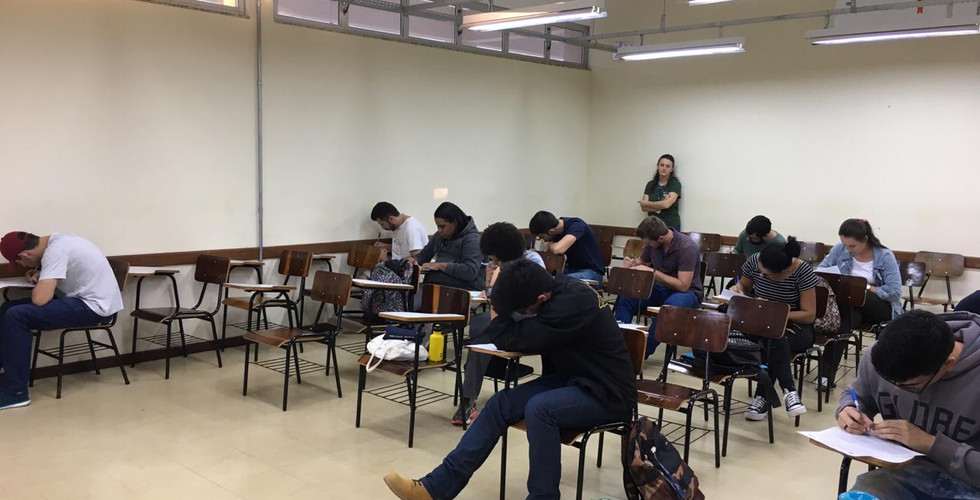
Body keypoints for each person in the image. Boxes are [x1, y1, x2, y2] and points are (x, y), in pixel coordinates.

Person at [383, 259, 637, 500]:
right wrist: (497, 294)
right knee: (499, 403)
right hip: (575, 379)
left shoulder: (571, 303)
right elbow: (509, 333)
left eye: (522, 312)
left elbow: (508, 337)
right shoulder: (553, 291)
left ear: (540, 299)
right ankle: (434, 489)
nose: (520, 315)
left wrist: (495, 303)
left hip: (608, 394)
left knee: (541, 409)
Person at [838, 310, 980, 499]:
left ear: (948, 364)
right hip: (903, 472)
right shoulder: (882, 354)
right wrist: (848, 409)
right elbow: (856, 395)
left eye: (911, 386)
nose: (896, 390)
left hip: (970, 483)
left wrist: (930, 444)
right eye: (889, 381)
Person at [0, 231, 123, 410]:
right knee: (6, 309)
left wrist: (41, 281)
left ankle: (16, 392)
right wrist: (41, 275)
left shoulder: (55, 251)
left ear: (25, 255)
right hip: (83, 299)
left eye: (20, 263)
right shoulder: (58, 240)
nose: (23, 266)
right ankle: (8, 378)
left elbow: (40, 299)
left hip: (95, 308)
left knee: (16, 316)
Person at [452, 222, 546, 426]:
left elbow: (525, 304)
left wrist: (496, 283)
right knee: (479, 338)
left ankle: (468, 399)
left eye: (494, 259)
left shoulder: (532, 262)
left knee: (480, 332)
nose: (493, 262)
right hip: (505, 319)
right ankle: (468, 400)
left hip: (530, 320)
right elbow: (493, 301)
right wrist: (489, 283)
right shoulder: (503, 266)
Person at [732, 237, 817, 420]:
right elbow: (744, 285)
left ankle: (762, 396)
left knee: (775, 337)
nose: (761, 276)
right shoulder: (755, 260)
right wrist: (739, 290)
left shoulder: (802, 270)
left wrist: (774, 312)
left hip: (795, 327)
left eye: (767, 275)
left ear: (782, 271)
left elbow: (809, 314)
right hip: (760, 323)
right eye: (760, 273)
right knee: (769, 334)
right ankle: (789, 391)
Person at [817, 218, 902, 388]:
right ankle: (826, 377)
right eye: (845, 245)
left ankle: (825, 375)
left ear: (865, 240)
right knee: (847, 318)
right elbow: (821, 270)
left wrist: (866, 288)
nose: (848, 249)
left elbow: (894, 291)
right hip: (851, 306)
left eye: (852, 246)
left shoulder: (884, 256)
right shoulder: (840, 249)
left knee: (854, 297)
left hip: (880, 306)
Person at [613, 216, 702, 357]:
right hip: (661, 289)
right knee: (627, 298)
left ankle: (640, 353)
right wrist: (632, 264)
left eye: (648, 242)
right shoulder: (652, 244)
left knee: (668, 308)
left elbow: (683, 286)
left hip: (688, 293)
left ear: (661, 238)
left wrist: (653, 272)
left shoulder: (686, 247)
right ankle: (620, 348)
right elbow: (642, 262)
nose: (645, 245)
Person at [409, 202, 484, 291]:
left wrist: (439, 266)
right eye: (438, 226)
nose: (439, 230)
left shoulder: (472, 239)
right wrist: (414, 261)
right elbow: (423, 256)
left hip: (460, 290)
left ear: (455, 223)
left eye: (442, 226)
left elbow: (470, 271)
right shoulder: (438, 236)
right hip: (432, 287)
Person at [528, 211, 605, 283]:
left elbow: (557, 249)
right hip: (570, 269)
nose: (543, 240)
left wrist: (550, 245)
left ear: (551, 232)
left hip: (592, 272)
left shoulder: (577, 225)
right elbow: (546, 251)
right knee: (542, 277)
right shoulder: (556, 231)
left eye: (542, 237)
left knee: (559, 281)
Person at [637, 154, 682, 230]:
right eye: (662, 165)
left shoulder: (675, 184)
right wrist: (660, 205)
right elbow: (643, 208)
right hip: (652, 225)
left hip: (670, 225)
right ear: (658, 166)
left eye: (668, 166)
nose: (664, 168)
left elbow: (666, 204)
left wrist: (649, 204)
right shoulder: (650, 184)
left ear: (672, 169)